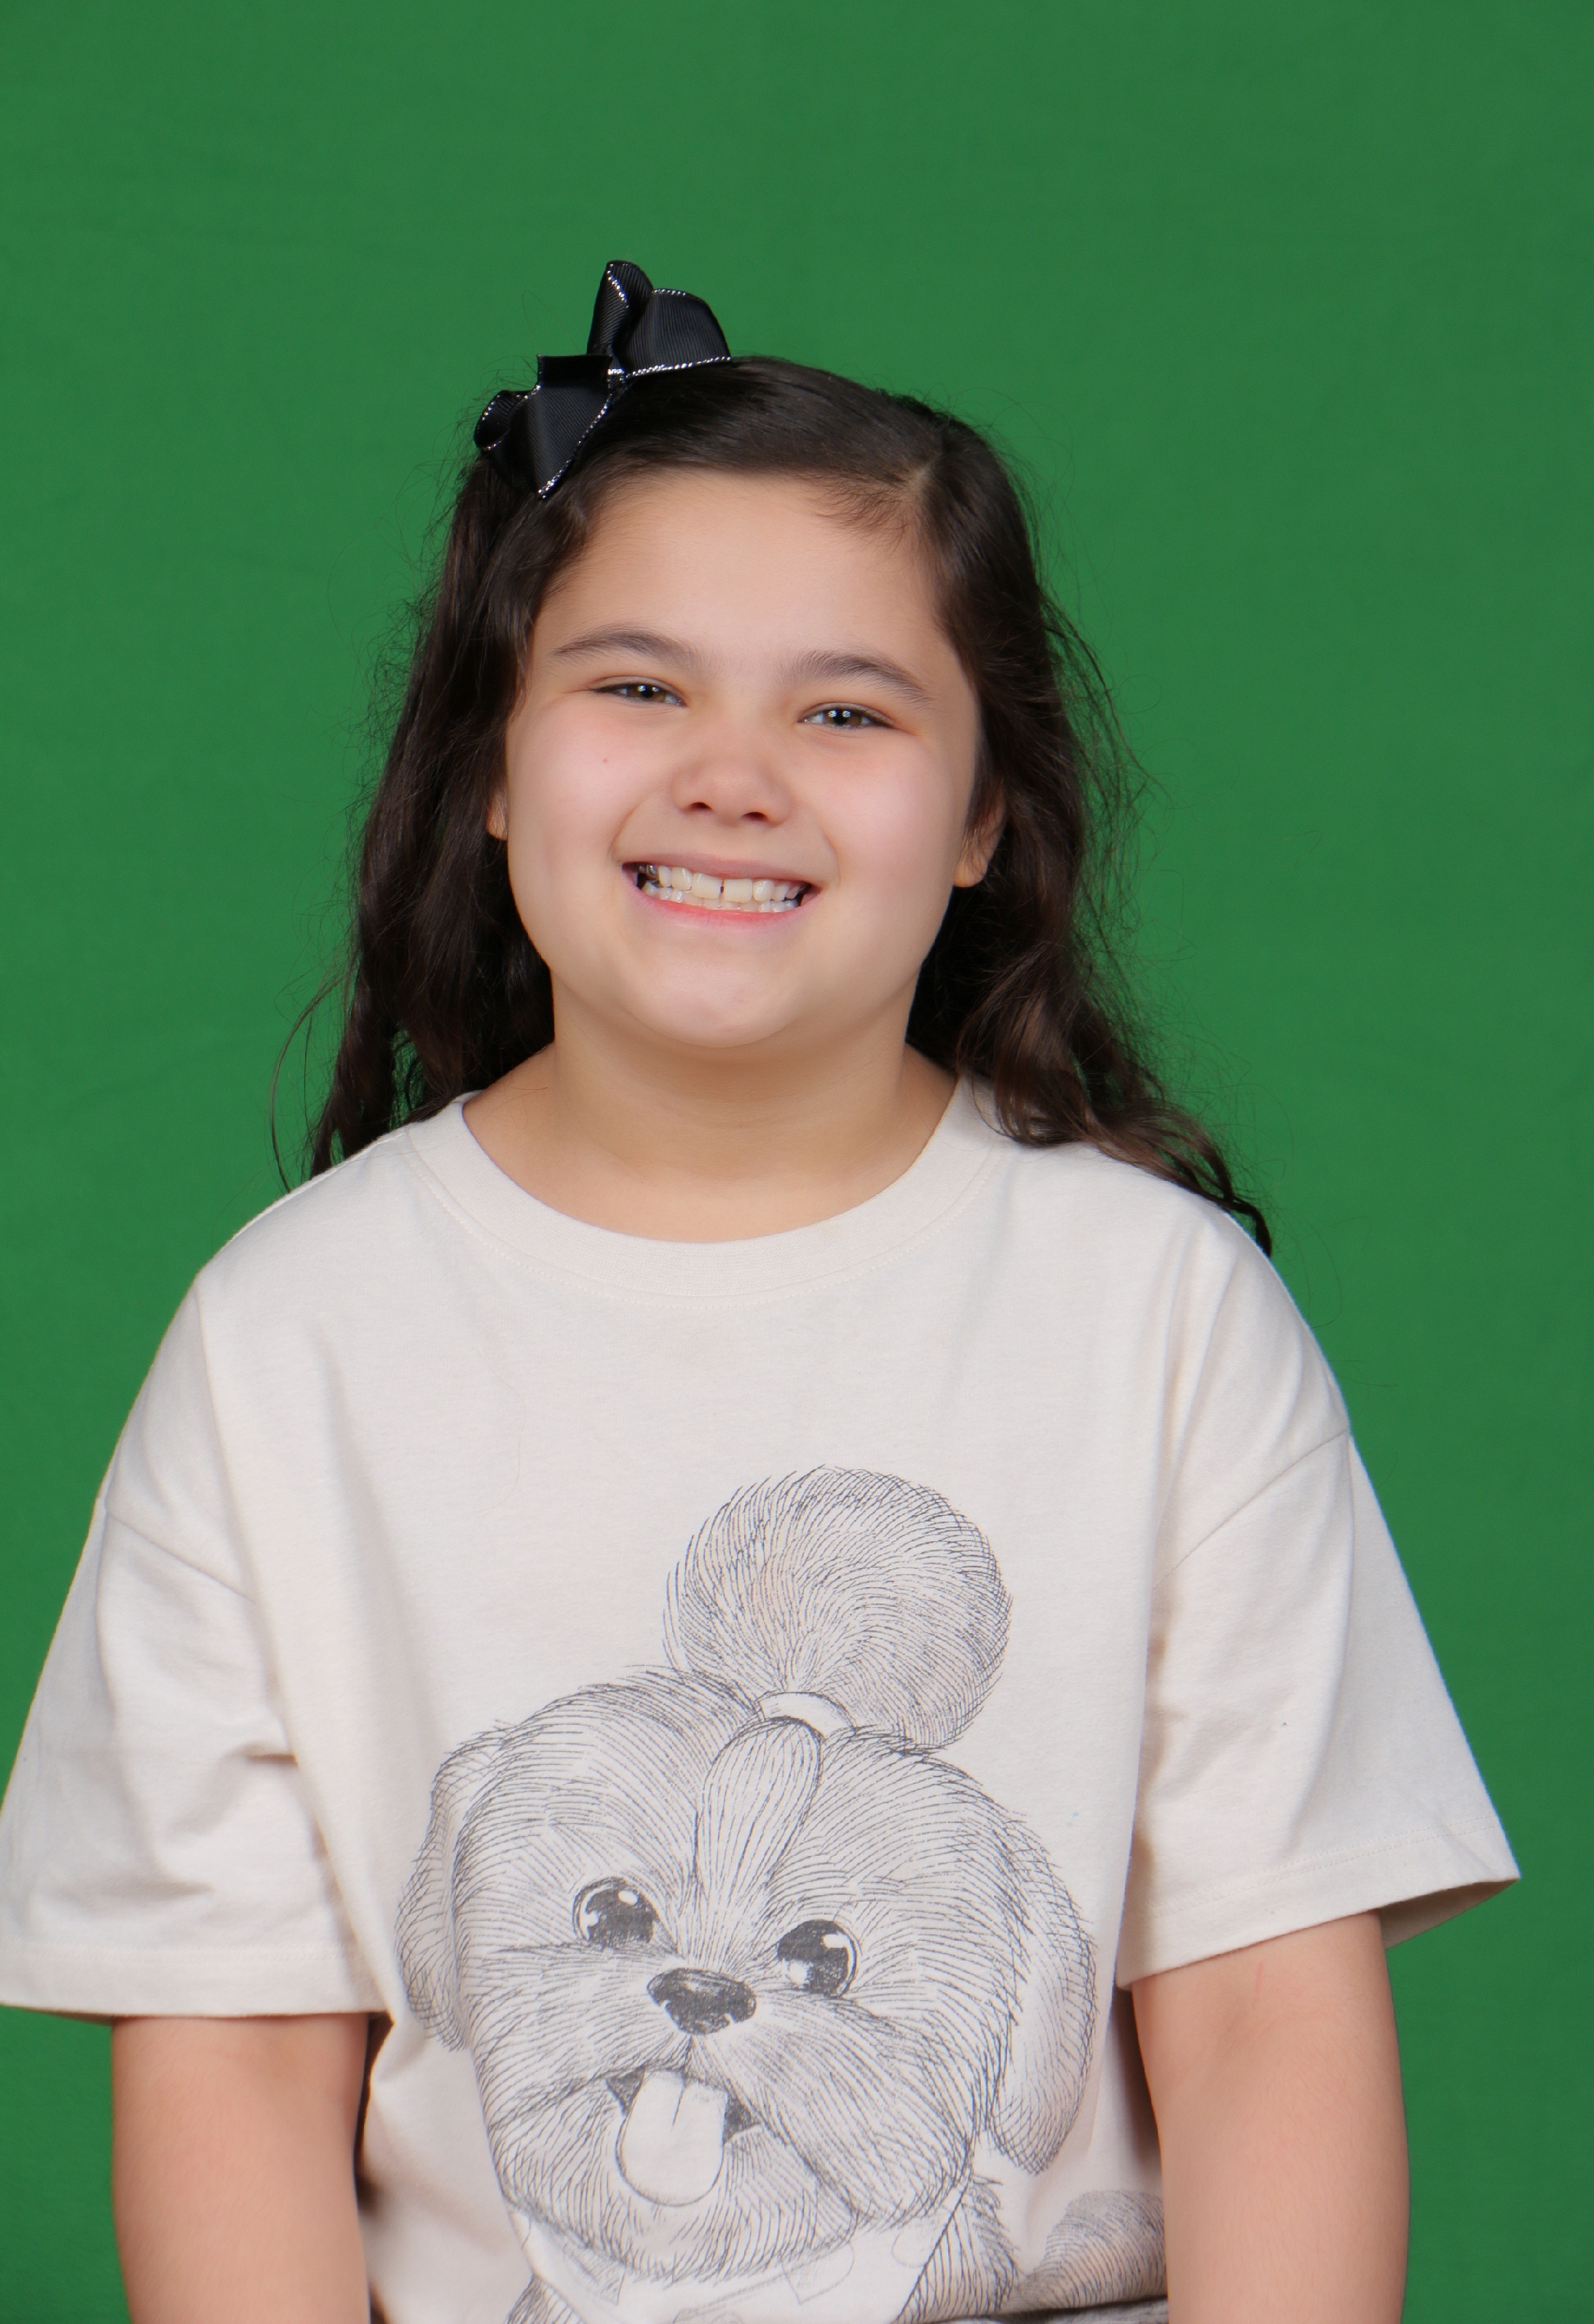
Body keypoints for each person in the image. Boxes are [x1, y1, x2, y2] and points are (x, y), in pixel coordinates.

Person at [0, 260, 1515, 2324]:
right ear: (490, 765)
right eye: (639, 687)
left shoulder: (1157, 1316)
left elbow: (1265, 2017)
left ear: (983, 815)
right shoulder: (291, 1342)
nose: (734, 773)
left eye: (847, 710)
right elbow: (235, 2064)